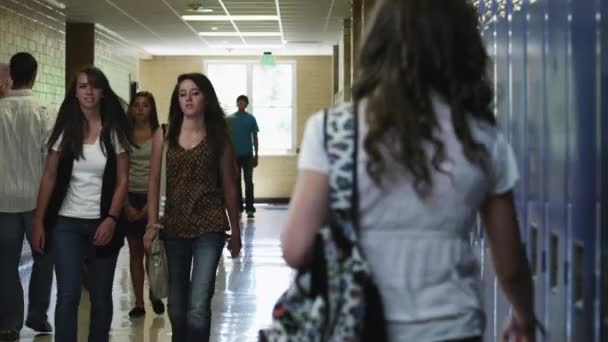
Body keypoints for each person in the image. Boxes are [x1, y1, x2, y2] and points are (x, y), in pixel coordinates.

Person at [281, 0, 538, 342]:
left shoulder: (331, 129)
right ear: (463, 46)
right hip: (451, 326)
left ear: (377, 45)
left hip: (356, 325)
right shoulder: (483, 139)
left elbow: (296, 248)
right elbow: (510, 265)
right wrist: (523, 317)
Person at [31, 66, 131, 342]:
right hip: (66, 224)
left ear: (102, 92)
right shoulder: (65, 132)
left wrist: (111, 218)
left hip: (103, 223)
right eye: (82, 86)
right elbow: (49, 178)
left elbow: (123, 180)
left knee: (100, 297)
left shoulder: (114, 133)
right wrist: (39, 220)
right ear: (74, 93)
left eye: (94, 86)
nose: (88, 92)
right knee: (68, 294)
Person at [145, 73, 242, 342]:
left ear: (206, 97)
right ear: (177, 100)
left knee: (198, 305)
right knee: (177, 308)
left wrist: (236, 231)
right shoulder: (163, 134)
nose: (188, 98)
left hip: (209, 224)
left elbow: (230, 186)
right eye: (182, 94)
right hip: (173, 226)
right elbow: (153, 181)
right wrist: (152, 224)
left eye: (194, 92)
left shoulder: (218, 136)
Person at [0, 52, 55, 342]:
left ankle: (9, 323)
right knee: (44, 258)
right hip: (37, 200)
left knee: (5, 264)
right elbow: (50, 159)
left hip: (3, 200)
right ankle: (37, 314)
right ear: (35, 75)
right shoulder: (44, 110)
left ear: (11, 76)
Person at [119, 91, 165, 318]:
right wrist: (125, 203)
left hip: (152, 198)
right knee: (135, 251)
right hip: (129, 197)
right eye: (136, 105)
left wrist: (150, 205)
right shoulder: (124, 135)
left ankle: (155, 292)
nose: (140, 109)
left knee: (151, 250)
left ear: (151, 109)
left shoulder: (160, 133)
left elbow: (161, 173)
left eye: (145, 105)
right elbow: (120, 172)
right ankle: (139, 302)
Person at [228, 95, 259, 218]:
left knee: (248, 182)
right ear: (237, 104)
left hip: (248, 156)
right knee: (236, 182)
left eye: (243, 102)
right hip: (234, 157)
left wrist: (256, 155)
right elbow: (227, 138)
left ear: (246, 105)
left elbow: (255, 138)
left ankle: (250, 208)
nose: (241, 103)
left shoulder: (251, 119)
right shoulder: (230, 119)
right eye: (239, 102)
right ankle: (239, 208)